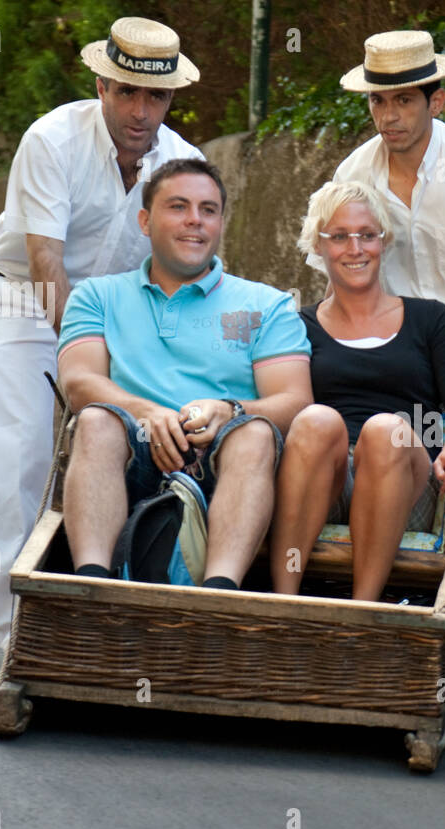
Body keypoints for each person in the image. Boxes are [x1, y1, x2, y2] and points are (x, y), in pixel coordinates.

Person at [307, 30, 445, 704]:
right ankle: (375, 617)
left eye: (404, 100)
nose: (389, 116)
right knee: (378, 461)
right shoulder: (355, 173)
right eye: (379, 102)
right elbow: (337, 269)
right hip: (398, 345)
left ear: (437, 98)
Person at [0, 17, 205, 650]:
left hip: (121, 317)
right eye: (126, 91)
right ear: (101, 83)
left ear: (171, 98)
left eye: (155, 96)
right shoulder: (50, 139)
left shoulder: (184, 164)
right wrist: (85, 368)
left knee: (138, 455)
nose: (140, 110)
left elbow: (192, 272)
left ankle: (117, 623)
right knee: (16, 467)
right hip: (23, 302)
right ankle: (17, 637)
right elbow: (46, 259)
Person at [57, 159, 312, 586]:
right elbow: (79, 382)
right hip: (130, 450)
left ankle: (217, 595)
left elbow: (295, 400)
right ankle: (92, 589)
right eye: (178, 206)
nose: (195, 220)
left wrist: (229, 409)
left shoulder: (268, 305)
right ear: (145, 220)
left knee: (255, 434)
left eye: (208, 210)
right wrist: (148, 412)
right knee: (96, 420)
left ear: (220, 223)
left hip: (223, 457)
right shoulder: (96, 296)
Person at [273, 181, 445, 603]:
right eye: (340, 236)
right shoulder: (296, 326)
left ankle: (361, 613)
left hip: (405, 479)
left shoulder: (431, 320)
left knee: (387, 430)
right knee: (316, 419)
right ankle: (284, 606)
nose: (356, 248)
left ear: (383, 242)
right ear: (318, 244)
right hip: (323, 480)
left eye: (367, 235)